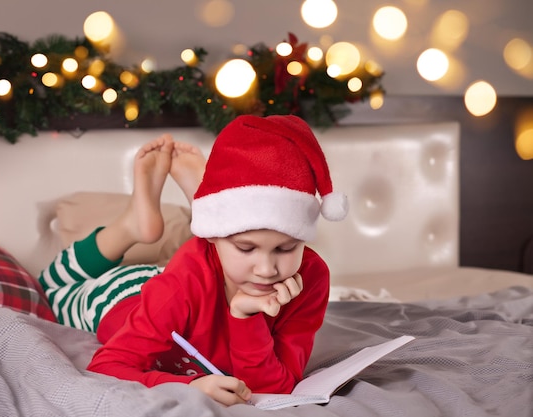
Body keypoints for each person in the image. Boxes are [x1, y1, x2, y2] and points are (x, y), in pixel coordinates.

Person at [38, 115, 348, 406]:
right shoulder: (178, 289)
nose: (267, 270)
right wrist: (189, 386)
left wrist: (245, 317)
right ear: (215, 236)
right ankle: (132, 224)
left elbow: (273, 389)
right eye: (245, 247)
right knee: (50, 285)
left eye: (286, 248)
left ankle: (204, 210)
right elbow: (106, 365)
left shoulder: (312, 275)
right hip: (120, 296)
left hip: (177, 280)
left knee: (191, 278)